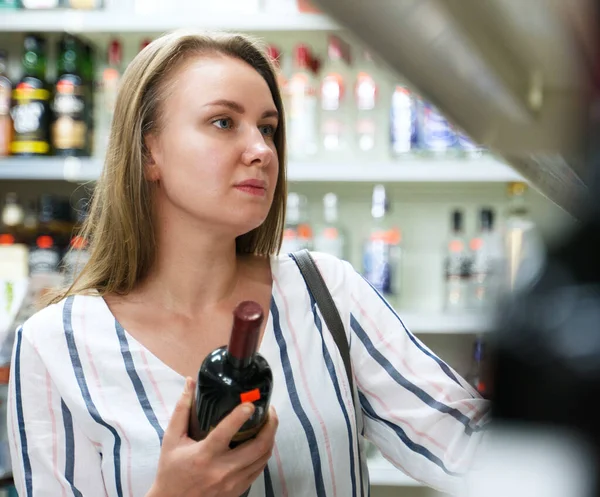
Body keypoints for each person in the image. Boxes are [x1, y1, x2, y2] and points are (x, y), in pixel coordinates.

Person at [7, 29, 489, 497]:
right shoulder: (55, 346)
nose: (261, 151)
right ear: (148, 150)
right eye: (223, 122)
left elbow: (472, 446)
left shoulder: (326, 293)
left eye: (268, 128)